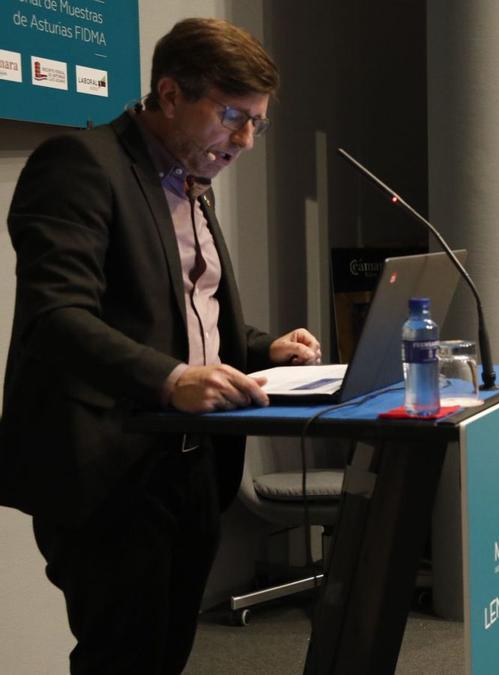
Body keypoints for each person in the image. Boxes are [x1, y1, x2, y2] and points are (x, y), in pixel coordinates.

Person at [0, 18, 321, 673]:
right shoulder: (80, 164)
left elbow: (182, 320)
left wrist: (264, 348)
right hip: (111, 470)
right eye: (233, 116)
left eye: (257, 122)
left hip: (191, 467)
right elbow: (54, 316)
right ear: (170, 95)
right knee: (122, 656)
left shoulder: (190, 184)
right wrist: (170, 378)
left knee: (165, 652)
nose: (246, 140)